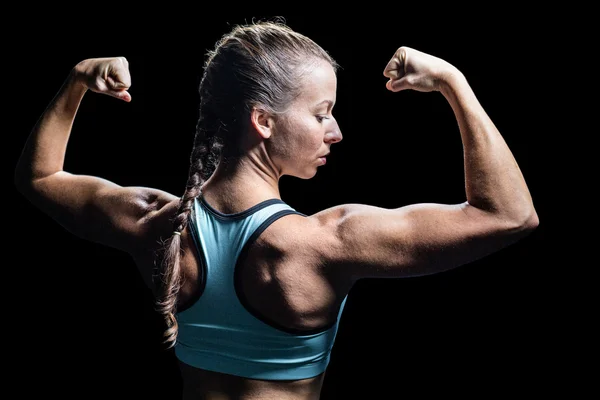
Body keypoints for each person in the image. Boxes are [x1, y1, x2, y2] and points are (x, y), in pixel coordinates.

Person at [14, 20, 538, 400]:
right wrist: (453, 82)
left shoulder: (153, 222)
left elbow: (41, 178)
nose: (335, 131)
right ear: (263, 121)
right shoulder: (324, 243)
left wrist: (79, 79)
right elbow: (508, 215)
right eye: (321, 113)